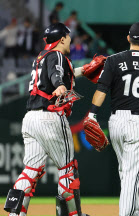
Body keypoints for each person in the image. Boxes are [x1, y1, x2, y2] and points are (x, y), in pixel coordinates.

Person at [2, 22, 101, 216]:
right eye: (69, 37)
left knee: (30, 170)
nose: (71, 40)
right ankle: (73, 215)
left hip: (30, 119)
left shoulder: (41, 57)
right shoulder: (57, 55)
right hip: (50, 117)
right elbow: (57, 74)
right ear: (62, 38)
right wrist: (59, 85)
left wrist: (83, 69)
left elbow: (58, 71)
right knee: (67, 169)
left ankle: (15, 214)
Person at [87, 22, 139, 216]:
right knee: (131, 175)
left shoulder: (113, 60)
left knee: (125, 172)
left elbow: (101, 89)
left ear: (128, 38)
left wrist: (92, 115)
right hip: (138, 122)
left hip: (116, 122)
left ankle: (137, 212)